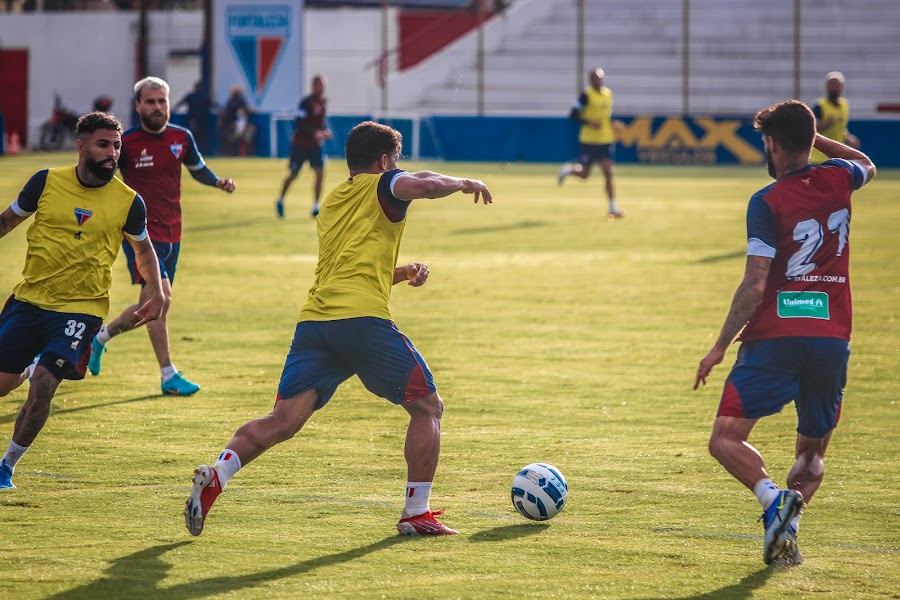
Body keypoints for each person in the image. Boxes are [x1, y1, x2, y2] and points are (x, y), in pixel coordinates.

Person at [184, 121, 492, 537]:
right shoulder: (384, 185)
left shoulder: (333, 200)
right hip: (361, 322)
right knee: (427, 407)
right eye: (394, 162)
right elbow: (425, 183)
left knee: (284, 420)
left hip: (316, 323)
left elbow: (350, 267)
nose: (397, 169)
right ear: (384, 161)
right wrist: (463, 181)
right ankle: (416, 512)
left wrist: (401, 273)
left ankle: (218, 474)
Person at [694, 100, 876, 566]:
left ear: (772, 143)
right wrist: (815, 138)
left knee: (725, 439)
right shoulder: (839, 179)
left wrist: (718, 346)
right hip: (831, 336)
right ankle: (788, 522)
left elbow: (755, 283)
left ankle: (772, 498)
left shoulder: (766, 200)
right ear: (808, 139)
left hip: (775, 336)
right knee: (812, 450)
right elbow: (866, 163)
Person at [0, 111, 164, 490]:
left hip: (82, 308)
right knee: (4, 384)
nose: (112, 153)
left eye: (117, 146)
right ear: (81, 146)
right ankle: (25, 366)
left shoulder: (128, 201)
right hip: (30, 300)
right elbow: (7, 221)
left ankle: (7, 465)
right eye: (103, 144)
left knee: (45, 384)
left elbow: (144, 251)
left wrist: (156, 293)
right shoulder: (46, 182)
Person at [88, 76, 236, 396]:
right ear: (138, 105)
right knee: (160, 299)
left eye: (162, 101)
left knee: (149, 306)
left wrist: (218, 182)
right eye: (151, 101)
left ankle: (99, 338)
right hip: (140, 235)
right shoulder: (124, 143)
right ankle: (168, 375)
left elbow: (198, 169)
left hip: (173, 232)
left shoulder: (181, 137)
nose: (157, 107)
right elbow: (101, 180)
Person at [557, 67, 624, 220]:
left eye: (600, 78)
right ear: (590, 80)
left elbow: (606, 115)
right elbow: (573, 115)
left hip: (605, 140)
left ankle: (613, 208)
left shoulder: (608, 94)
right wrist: (588, 123)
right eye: (595, 78)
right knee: (585, 175)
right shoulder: (586, 96)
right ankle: (569, 170)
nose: (598, 80)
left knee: (608, 172)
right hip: (588, 141)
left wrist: (613, 124)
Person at [275, 74, 333, 219]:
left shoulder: (323, 102)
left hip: (315, 146)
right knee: (293, 174)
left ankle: (315, 206)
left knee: (320, 173)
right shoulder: (305, 103)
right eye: (319, 84)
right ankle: (280, 199)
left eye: (323, 84)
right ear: (313, 85)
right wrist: (315, 133)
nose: (322, 87)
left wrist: (324, 132)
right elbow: (299, 124)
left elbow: (320, 122)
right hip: (301, 145)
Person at [810, 72, 861, 164]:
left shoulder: (844, 105)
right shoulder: (820, 106)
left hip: (837, 157)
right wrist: (826, 125)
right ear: (826, 87)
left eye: (837, 85)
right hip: (819, 158)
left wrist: (848, 137)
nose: (834, 88)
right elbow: (812, 130)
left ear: (842, 87)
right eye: (831, 85)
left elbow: (841, 127)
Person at [173, 81, 212, 154]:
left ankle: (192, 151)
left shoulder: (192, 95)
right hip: (200, 120)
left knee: (192, 135)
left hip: (193, 119)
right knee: (199, 136)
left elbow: (180, 103)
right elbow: (211, 106)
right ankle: (199, 151)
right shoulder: (203, 96)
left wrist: (173, 109)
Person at [217, 85, 252, 156]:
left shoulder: (232, 100)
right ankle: (237, 152)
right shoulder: (236, 100)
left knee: (232, 138)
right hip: (234, 123)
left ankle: (235, 152)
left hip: (229, 123)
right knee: (237, 138)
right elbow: (247, 110)